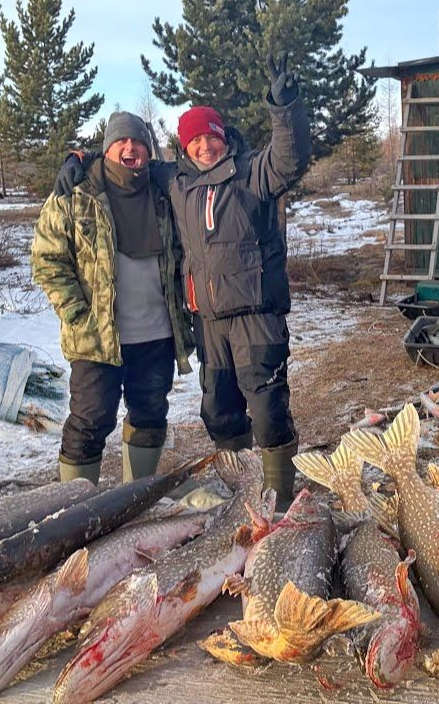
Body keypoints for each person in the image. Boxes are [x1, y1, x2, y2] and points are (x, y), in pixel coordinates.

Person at [56, 55, 310, 508]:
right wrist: (79, 159)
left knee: (268, 410)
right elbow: (123, 162)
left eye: (210, 137)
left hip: (255, 314)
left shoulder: (253, 172)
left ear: (222, 138)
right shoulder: (176, 182)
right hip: (209, 322)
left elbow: (290, 160)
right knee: (219, 413)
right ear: (184, 147)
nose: (204, 147)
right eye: (194, 141)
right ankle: (243, 495)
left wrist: (284, 107)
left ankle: (280, 500)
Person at [33, 111, 194, 485]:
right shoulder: (74, 193)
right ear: (106, 148)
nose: (130, 147)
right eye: (121, 140)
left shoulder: (162, 192)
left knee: (150, 414)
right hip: (98, 337)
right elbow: (47, 259)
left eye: (138, 141)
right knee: (91, 420)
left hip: (156, 334)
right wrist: (76, 313)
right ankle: (74, 505)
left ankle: (134, 495)